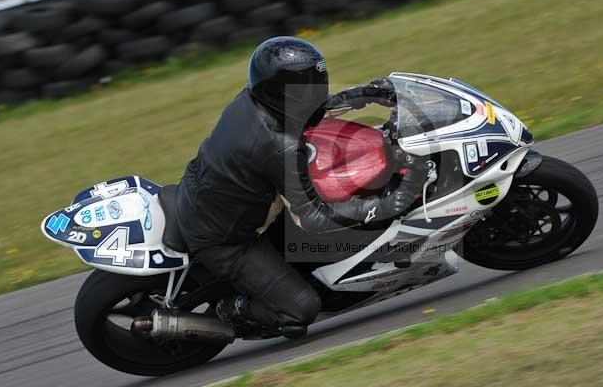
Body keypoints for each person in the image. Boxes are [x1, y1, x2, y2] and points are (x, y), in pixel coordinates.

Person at [174, 36, 423, 339]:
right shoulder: (278, 146)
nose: (316, 94)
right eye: (306, 88)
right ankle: (231, 310)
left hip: (210, 196)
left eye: (317, 84)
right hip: (226, 241)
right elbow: (314, 217)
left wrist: (362, 94)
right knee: (302, 308)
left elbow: (307, 113)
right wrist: (385, 205)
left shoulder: (252, 100)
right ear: (281, 91)